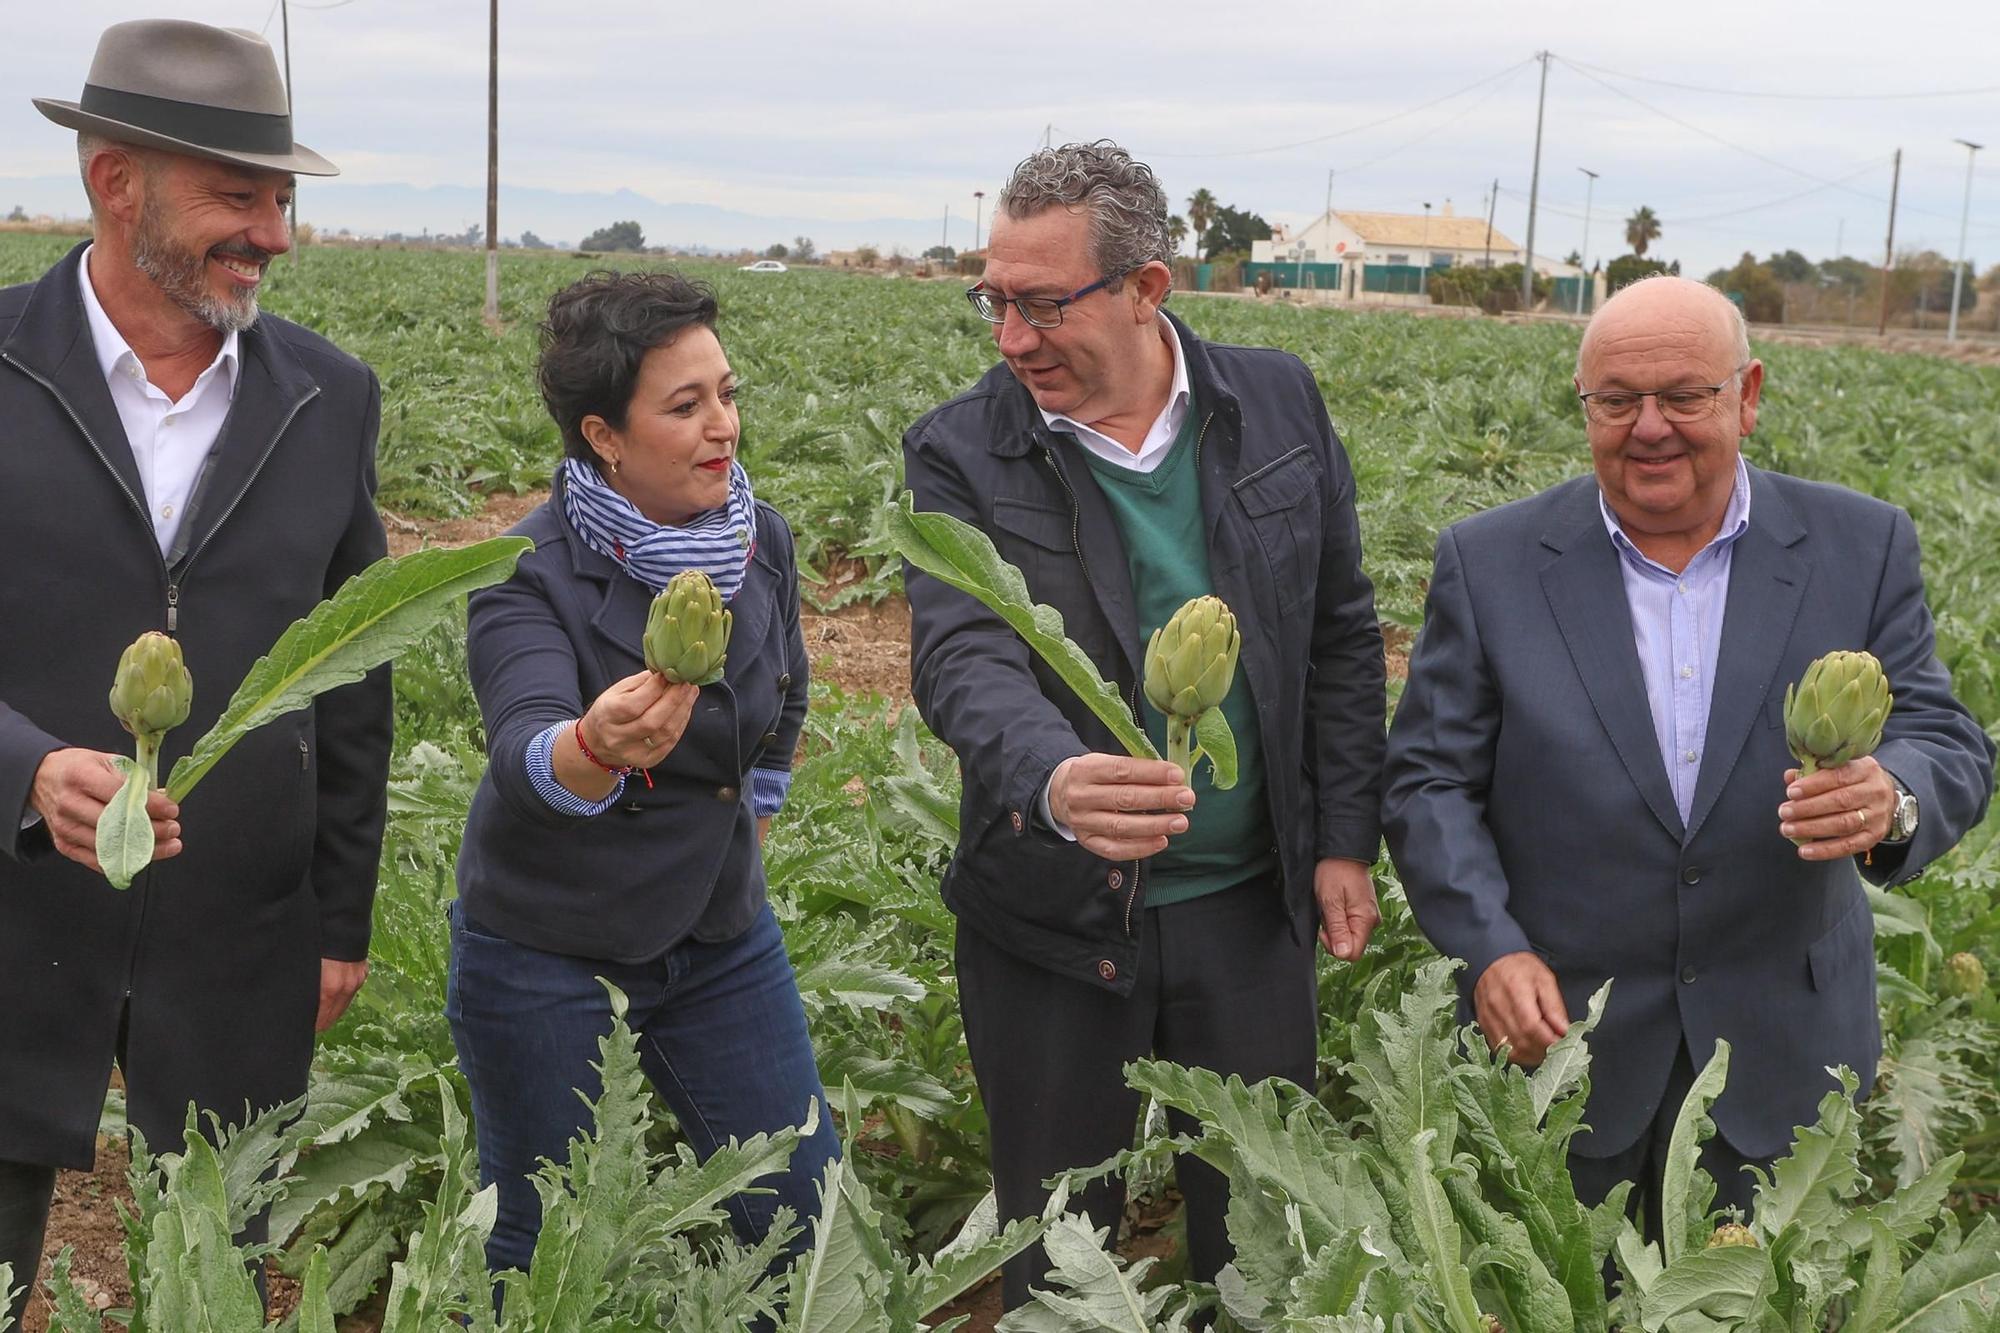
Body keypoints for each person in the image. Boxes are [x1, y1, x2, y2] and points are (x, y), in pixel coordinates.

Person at [1382, 275, 1995, 1233]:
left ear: (1747, 396)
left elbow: (1946, 739)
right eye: (1616, 400)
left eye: (1684, 396)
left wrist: (1895, 799)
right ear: (1584, 407)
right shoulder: (1490, 561)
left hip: (1786, 1050)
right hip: (1562, 1046)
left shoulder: (1860, 544)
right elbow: (1428, 782)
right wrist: (1488, 946)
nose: (1649, 426)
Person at [902, 141, 1386, 1308]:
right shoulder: (959, 447)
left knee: (1264, 1250)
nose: (1011, 338)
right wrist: (1055, 778)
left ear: (1144, 289)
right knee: (1061, 1254)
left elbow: (1339, 633)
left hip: (1248, 915)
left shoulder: (1274, 401)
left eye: (1039, 304)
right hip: (1055, 929)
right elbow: (961, 653)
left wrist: (1340, 838)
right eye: (992, 302)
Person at [0, 19, 392, 1322]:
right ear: (117, 183)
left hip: (242, 923)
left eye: (281, 197)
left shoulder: (329, 397)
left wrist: (342, 915)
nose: (274, 230)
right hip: (10, 904)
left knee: (220, 1275)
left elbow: (355, 669)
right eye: (240, 193)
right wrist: (26, 769)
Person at [447, 270, 838, 1280]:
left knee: (804, 1213)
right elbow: (524, 744)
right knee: (540, 1244)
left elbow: (784, 690)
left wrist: (755, 802)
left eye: (727, 393)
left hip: (719, 933)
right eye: (684, 405)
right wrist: (594, 746)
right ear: (603, 436)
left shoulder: (760, 539)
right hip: (548, 951)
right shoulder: (522, 572)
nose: (724, 426)